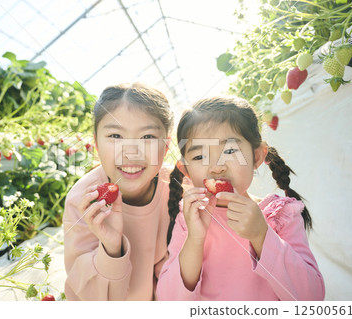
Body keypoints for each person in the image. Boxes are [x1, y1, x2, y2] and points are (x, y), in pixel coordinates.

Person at [156, 95, 325, 301]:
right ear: (186, 171)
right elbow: (168, 301)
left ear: (257, 157)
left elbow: (311, 298)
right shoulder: (189, 219)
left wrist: (261, 235)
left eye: (229, 150)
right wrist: (195, 239)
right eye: (200, 156)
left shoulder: (280, 214)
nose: (217, 166)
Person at [63, 82, 174, 300]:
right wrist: (111, 248)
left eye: (147, 137)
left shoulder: (178, 188)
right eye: (115, 136)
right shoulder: (83, 201)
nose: (131, 152)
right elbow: (90, 297)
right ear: (96, 143)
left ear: (166, 146)